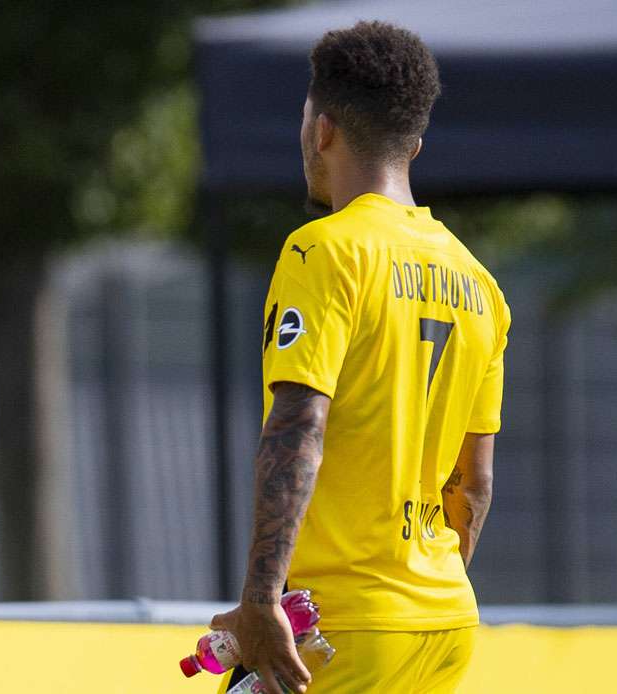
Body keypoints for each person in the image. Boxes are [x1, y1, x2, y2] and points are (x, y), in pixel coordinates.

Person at [211, 22, 509, 694]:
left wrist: (260, 599)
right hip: (443, 622)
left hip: (340, 626)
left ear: (322, 130)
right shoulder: (479, 283)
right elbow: (475, 483)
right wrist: (421, 591)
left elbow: (297, 428)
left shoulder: (324, 251)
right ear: (415, 144)